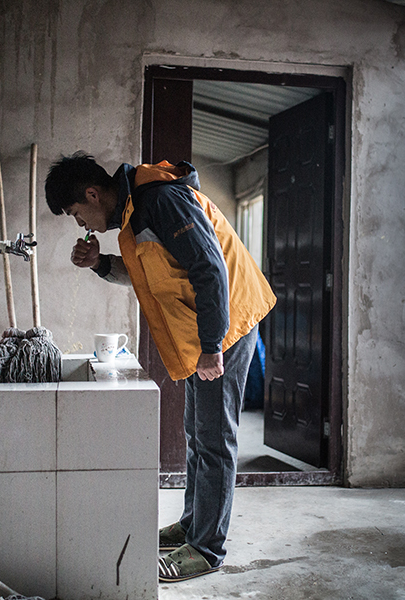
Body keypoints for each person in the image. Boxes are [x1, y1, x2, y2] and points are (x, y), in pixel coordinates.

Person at [45, 153, 276, 582]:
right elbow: (147, 277)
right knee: (197, 432)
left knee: (214, 437)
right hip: (204, 329)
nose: (83, 225)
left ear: (93, 194)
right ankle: (192, 525)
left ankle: (207, 548)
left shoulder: (162, 200)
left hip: (227, 326)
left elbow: (210, 269)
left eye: (79, 215)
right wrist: (98, 263)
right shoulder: (134, 215)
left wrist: (211, 346)